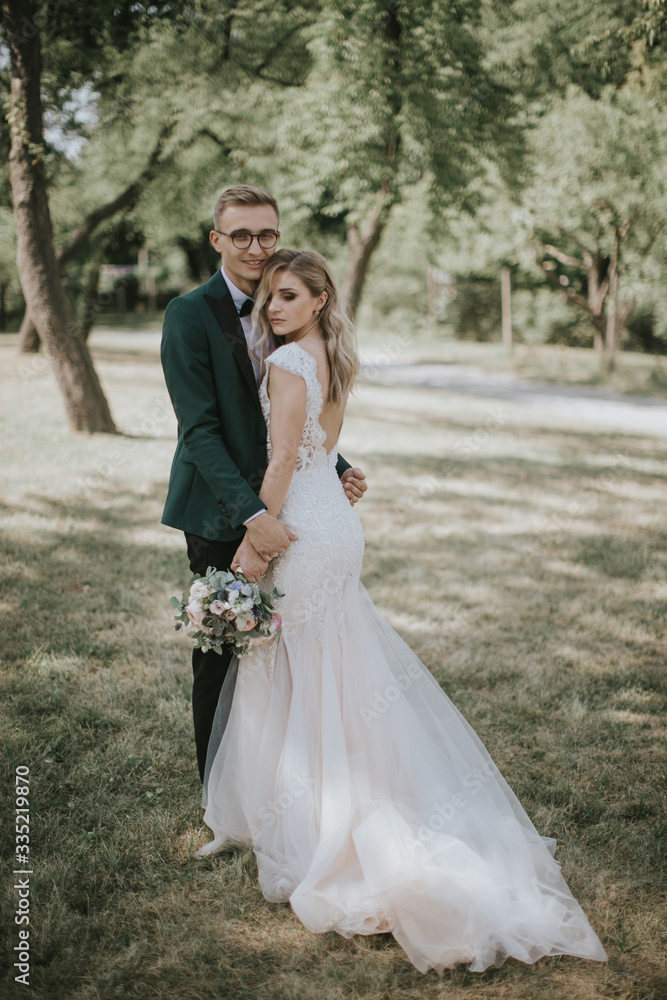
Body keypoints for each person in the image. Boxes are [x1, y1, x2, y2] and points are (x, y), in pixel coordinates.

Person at [195, 249, 608, 976]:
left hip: (301, 530)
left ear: (319, 298)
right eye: (268, 298)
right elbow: (324, 454)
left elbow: (286, 459)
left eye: (289, 296)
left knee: (299, 662)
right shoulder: (330, 355)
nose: (274, 309)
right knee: (334, 661)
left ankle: (322, 817)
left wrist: (256, 543)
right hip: (334, 529)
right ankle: (331, 796)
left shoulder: (290, 362)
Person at [160, 186, 367, 782]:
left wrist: (332, 464)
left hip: (294, 506)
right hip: (223, 510)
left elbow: (287, 419)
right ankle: (219, 791)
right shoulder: (190, 314)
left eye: (267, 234)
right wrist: (253, 516)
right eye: (242, 235)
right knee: (222, 656)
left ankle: (283, 786)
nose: (256, 247)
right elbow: (200, 431)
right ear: (217, 239)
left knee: (286, 657)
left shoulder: (286, 307)